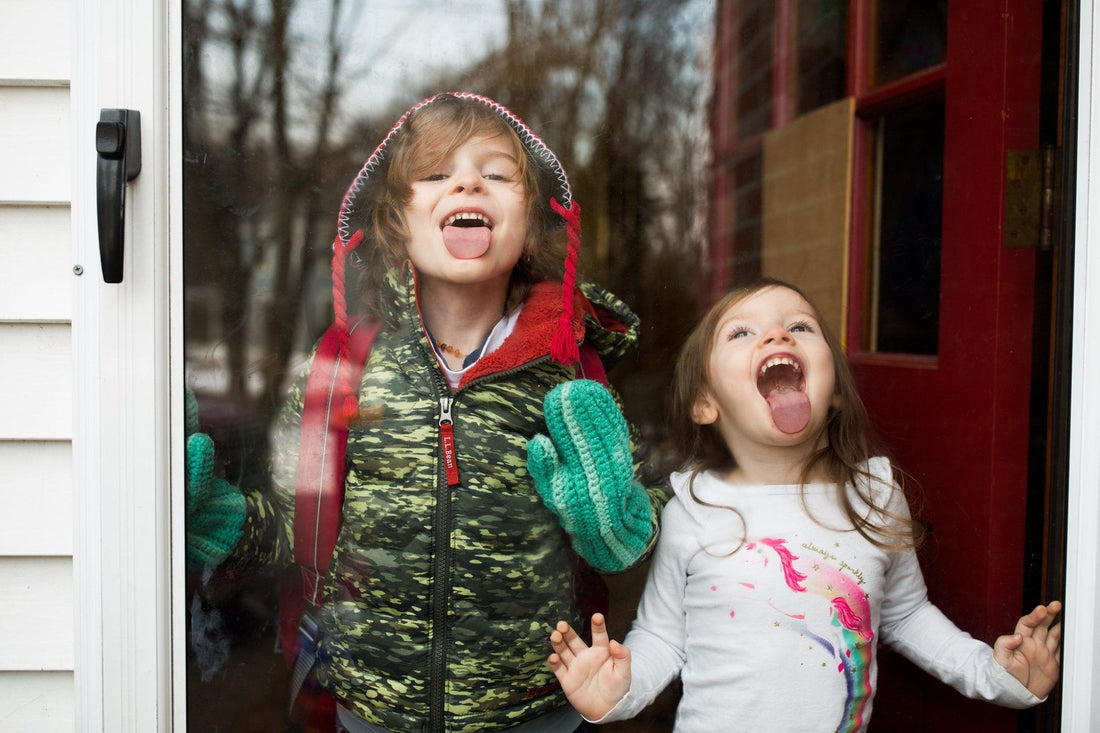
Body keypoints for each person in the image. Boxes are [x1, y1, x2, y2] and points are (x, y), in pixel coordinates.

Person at [185, 92, 667, 732]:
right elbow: (291, 526)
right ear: (396, 219)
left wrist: (616, 527)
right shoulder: (338, 374)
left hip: (535, 713)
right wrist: (220, 518)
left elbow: (646, 515)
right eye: (436, 174)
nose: (467, 182)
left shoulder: (570, 368)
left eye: (496, 175)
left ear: (530, 219)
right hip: (372, 712)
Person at [546, 279, 1063, 732]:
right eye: (742, 332)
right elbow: (663, 638)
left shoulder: (874, 495)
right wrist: (617, 694)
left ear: (834, 391)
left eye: (800, 326)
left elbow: (906, 616)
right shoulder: (694, 508)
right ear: (706, 403)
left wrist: (996, 676)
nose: (777, 335)